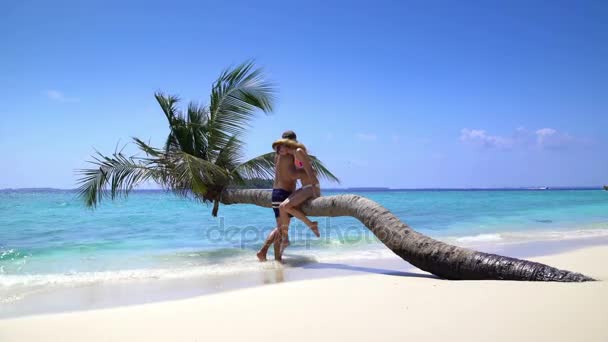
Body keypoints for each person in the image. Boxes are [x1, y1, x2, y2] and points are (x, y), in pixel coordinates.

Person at [256, 131, 299, 262]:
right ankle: (263, 251)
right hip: (284, 194)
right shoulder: (291, 154)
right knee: (281, 228)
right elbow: (300, 167)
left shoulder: (278, 155)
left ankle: (277, 258)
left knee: (280, 228)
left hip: (276, 193)